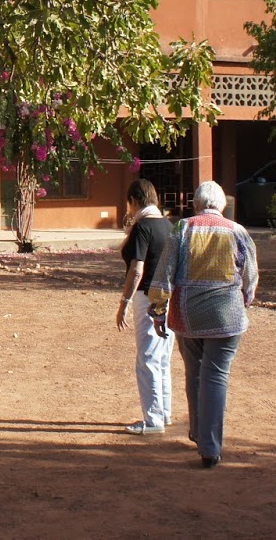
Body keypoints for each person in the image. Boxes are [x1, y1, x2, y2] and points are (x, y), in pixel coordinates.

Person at [147, 180, 258, 468]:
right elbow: (250, 277)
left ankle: (199, 433)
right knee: (215, 377)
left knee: (194, 373)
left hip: (187, 316)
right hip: (227, 316)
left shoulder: (183, 229)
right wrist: (244, 300)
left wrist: (158, 310)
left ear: (196, 204)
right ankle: (210, 448)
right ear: (222, 205)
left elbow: (164, 272)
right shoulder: (238, 231)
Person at [115, 178, 173, 435]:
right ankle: (164, 412)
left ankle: (153, 420)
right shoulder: (168, 226)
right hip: (167, 296)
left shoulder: (143, 227)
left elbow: (137, 270)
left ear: (133, 200)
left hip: (147, 296)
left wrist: (124, 302)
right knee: (162, 358)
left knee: (147, 358)